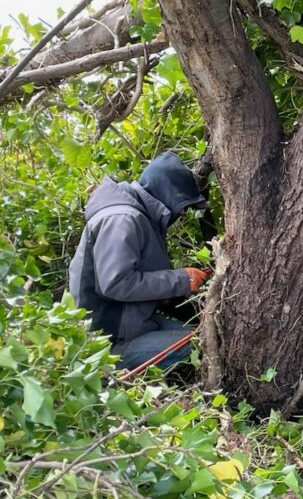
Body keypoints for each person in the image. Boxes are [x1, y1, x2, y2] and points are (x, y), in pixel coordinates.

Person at [68, 152, 211, 370]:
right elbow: (116, 283)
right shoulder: (122, 219)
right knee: (205, 345)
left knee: (209, 333)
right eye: (183, 206)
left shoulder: (138, 215)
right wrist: (181, 280)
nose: (182, 213)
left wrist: (169, 293)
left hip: (130, 325)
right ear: (168, 195)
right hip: (106, 344)